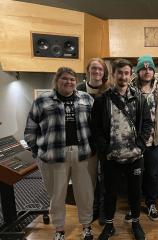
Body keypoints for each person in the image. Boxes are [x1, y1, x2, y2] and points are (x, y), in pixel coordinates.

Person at [24, 67, 97, 240]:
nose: (69, 82)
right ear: (57, 80)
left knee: (86, 193)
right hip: (54, 156)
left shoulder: (87, 99)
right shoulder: (42, 101)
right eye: (64, 78)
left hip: (84, 155)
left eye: (72, 79)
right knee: (57, 195)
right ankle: (59, 229)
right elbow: (30, 130)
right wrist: (38, 151)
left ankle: (87, 226)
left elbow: (97, 127)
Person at [92, 58, 152, 240]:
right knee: (109, 193)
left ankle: (135, 223)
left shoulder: (140, 98)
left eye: (126, 73)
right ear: (113, 74)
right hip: (111, 157)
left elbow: (147, 123)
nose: (123, 76)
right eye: (120, 73)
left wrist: (141, 146)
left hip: (134, 156)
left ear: (131, 75)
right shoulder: (102, 99)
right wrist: (105, 150)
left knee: (135, 192)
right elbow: (95, 127)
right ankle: (109, 226)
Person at [128, 55, 158, 221]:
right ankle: (134, 206)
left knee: (153, 175)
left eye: (150, 68)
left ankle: (151, 203)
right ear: (138, 72)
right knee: (135, 175)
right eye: (143, 68)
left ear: (154, 71)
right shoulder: (130, 90)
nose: (147, 71)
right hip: (135, 142)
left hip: (154, 142)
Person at [77, 58, 109, 225]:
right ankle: (92, 208)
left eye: (100, 69)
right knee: (88, 180)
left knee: (105, 178)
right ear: (88, 70)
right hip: (85, 142)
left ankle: (104, 210)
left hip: (104, 143)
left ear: (104, 73)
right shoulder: (78, 90)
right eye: (94, 68)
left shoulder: (109, 91)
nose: (97, 72)